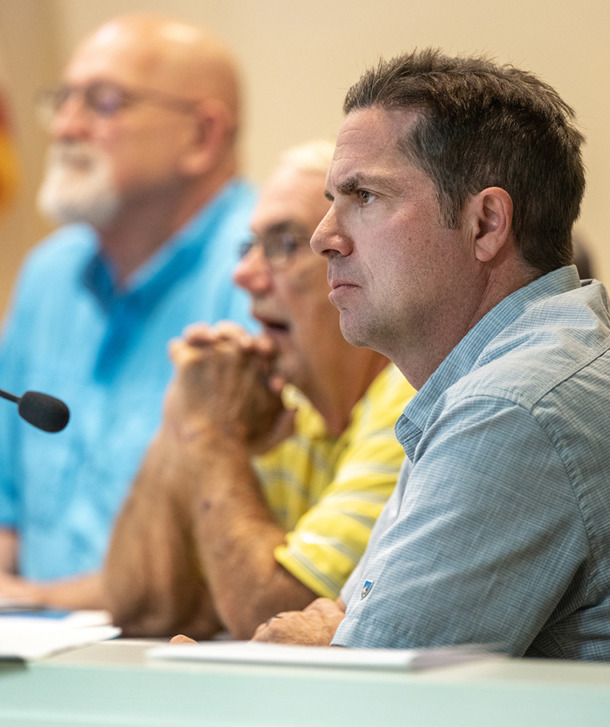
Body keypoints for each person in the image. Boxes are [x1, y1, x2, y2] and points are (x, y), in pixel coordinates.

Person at [247, 50, 610, 668]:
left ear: (486, 223)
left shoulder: (519, 406)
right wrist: (337, 638)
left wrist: (327, 643)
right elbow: (356, 637)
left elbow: (366, 698)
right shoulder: (486, 387)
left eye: (363, 196)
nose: (323, 237)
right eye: (334, 198)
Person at [0, 15, 257, 606]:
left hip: (179, 659)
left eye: (103, 103)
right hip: (27, 658)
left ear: (203, 136)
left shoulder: (267, 266)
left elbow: (259, 546)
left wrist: (46, 604)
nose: (65, 126)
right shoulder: (49, 274)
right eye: (62, 100)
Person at [103, 141, 415, 639]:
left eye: (284, 245)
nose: (243, 276)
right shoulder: (281, 402)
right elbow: (144, 608)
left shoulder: (411, 395)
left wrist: (211, 433)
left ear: (358, 265)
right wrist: (183, 411)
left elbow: (273, 613)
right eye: (248, 247)